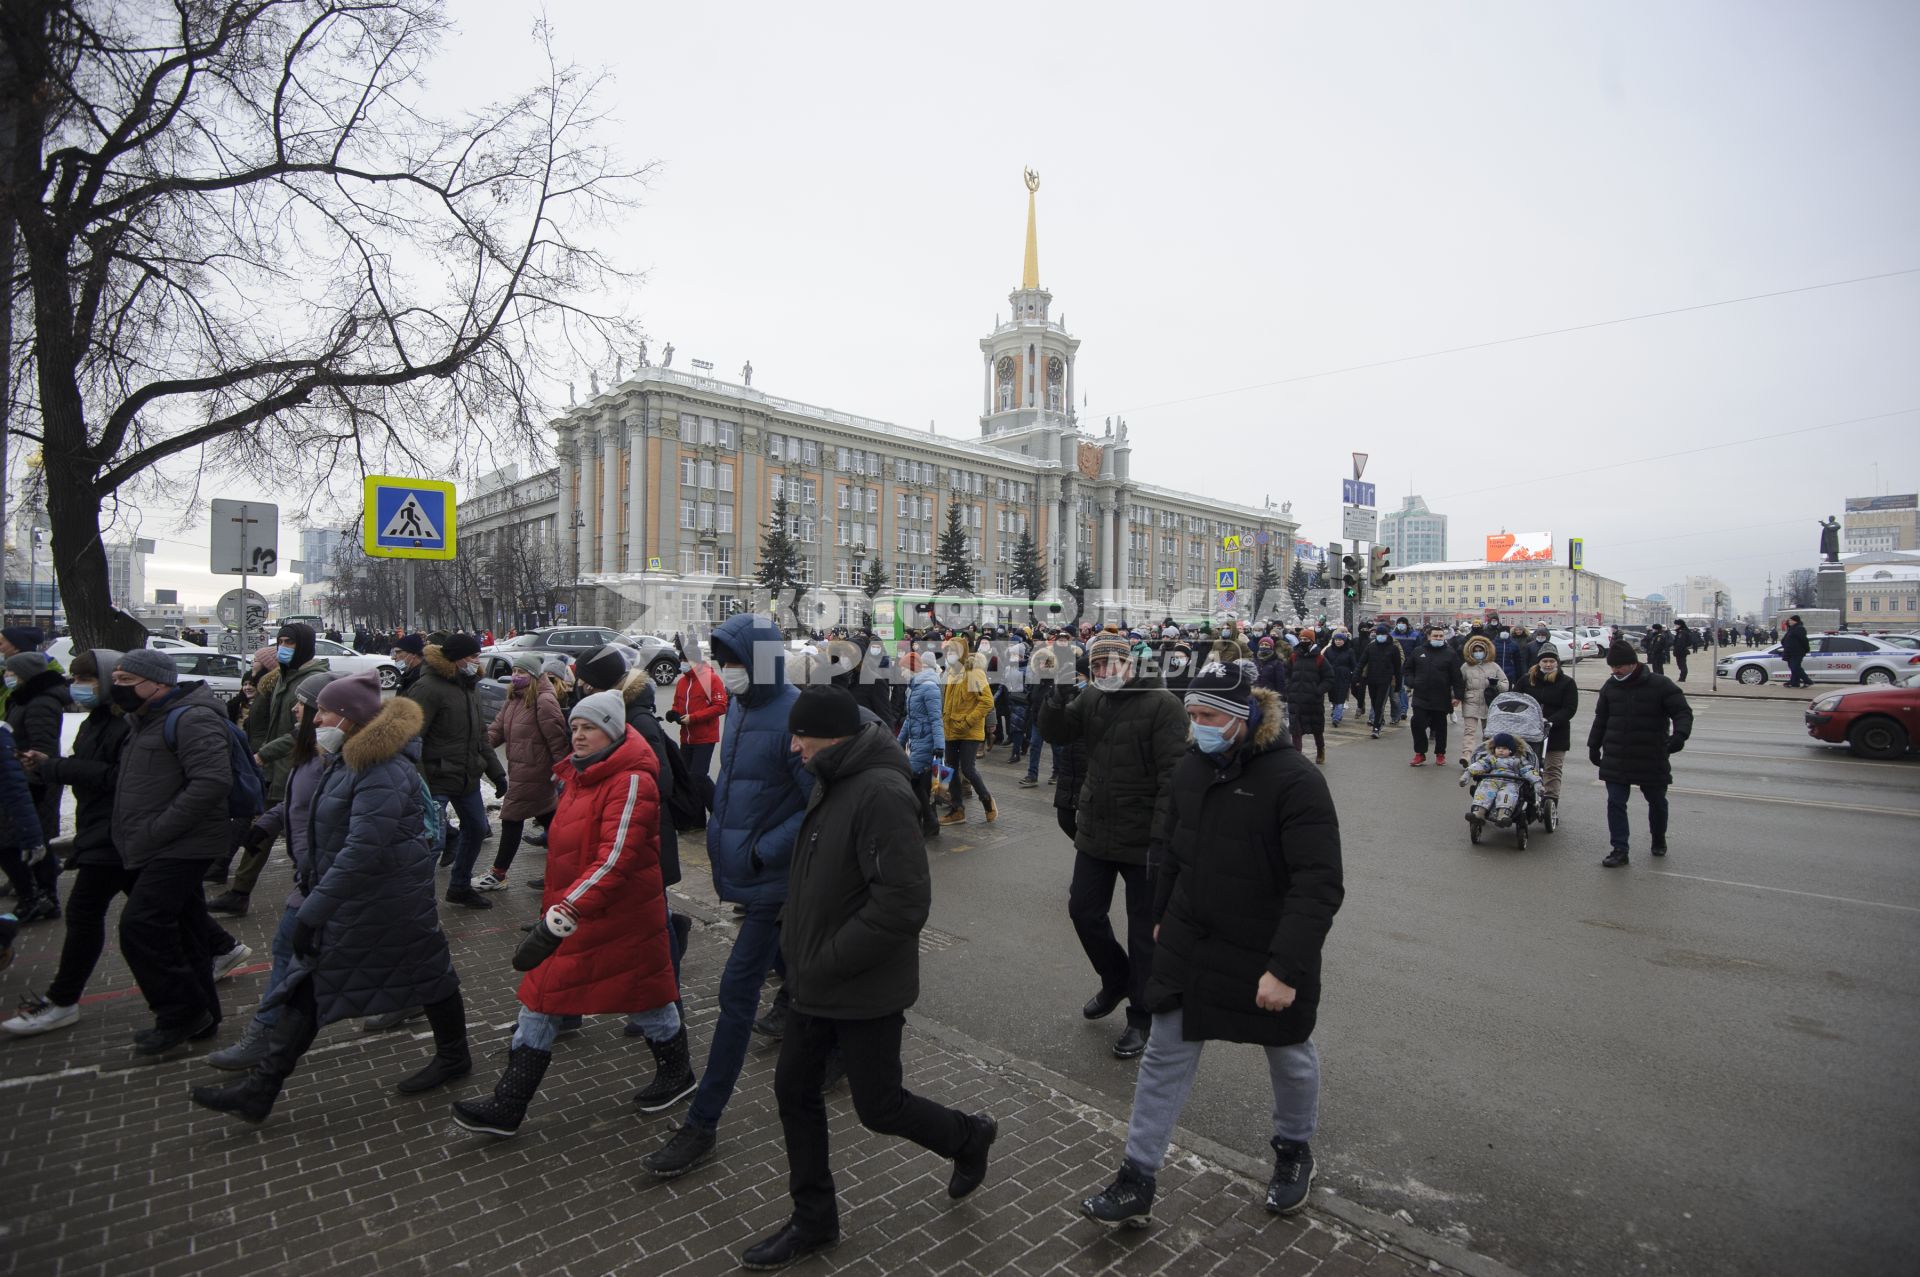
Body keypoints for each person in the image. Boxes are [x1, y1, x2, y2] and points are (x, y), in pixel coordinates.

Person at [742, 685, 998, 1270]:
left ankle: (968, 1136)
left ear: (831, 737)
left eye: (801, 735)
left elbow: (903, 904)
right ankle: (814, 1220)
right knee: (793, 1091)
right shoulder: (833, 777)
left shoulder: (879, 791)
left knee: (878, 1107)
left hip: (860, 984)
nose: (793, 745)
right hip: (816, 979)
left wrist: (826, 958)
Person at [1080, 660, 1343, 1229]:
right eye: (1192, 714)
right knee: (1162, 1059)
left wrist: (1287, 969)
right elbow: (1170, 847)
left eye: (1206, 716)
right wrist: (1159, 915)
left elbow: (1318, 884)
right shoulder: (1192, 769)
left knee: (1289, 1056)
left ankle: (1294, 1150)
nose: (1194, 726)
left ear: (1244, 716)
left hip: (1265, 948)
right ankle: (1137, 1177)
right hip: (1190, 939)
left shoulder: (1296, 780)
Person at [190, 673, 470, 1120]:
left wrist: (314, 909)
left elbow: (363, 848)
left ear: (351, 718)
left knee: (409, 975)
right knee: (352, 982)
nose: (316, 718)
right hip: (368, 898)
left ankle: (454, 1057)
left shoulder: (383, 768)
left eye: (325, 712)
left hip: (384, 899)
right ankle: (260, 1091)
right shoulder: (346, 760)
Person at [452, 690, 689, 1135]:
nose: (578, 735)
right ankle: (508, 1104)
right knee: (545, 999)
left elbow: (616, 857)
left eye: (589, 727)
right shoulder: (584, 775)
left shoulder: (631, 780)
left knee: (646, 998)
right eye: (575, 727)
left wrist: (563, 913)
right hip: (582, 910)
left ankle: (676, 1076)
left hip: (614, 915)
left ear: (613, 732)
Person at [643, 614, 812, 1180]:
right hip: (749, 875)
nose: (726, 671)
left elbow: (821, 804)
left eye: (735, 660)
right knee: (806, 980)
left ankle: (702, 1121)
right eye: (722, 659)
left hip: (775, 880)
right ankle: (828, 1035)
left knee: (735, 994)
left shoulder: (795, 714)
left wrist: (765, 850)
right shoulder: (740, 708)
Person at [1039, 629, 1187, 1060]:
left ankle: (1141, 1016)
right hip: (1098, 828)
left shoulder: (1163, 705)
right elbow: (1058, 733)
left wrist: (1162, 840)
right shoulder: (1093, 698)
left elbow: (1173, 778)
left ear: (1131, 663)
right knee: (1082, 910)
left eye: (1112, 663)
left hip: (1144, 838)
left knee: (1144, 931)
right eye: (1097, 665)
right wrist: (1058, 692)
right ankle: (1116, 978)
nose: (1104, 671)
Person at [199, 671, 336, 1067]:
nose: (296, 709)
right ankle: (416, 993)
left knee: (288, 952)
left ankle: (262, 1037)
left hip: (323, 878)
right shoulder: (310, 750)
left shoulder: (337, 756)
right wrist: (268, 823)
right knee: (386, 950)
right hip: (312, 874)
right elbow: (299, 798)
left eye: (307, 704)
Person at [109, 648, 231, 1056]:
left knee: (140, 926)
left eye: (127, 680)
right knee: (187, 928)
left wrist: (158, 829)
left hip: (182, 844)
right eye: (117, 678)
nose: (117, 687)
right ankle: (205, 1014)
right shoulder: (144, 719)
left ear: (158, 683)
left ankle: (179, 1012)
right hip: (158, 841)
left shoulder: (192, 718)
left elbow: (212, 781)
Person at [3, 651, 130, 1034]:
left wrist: (51, 767)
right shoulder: (98, 719)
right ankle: (217, 955)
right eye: (75, 677)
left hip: (116, 831)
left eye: (87, 678)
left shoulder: (127, 724)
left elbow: (115, 777)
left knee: (88, 915)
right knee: (168, 913)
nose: (78, 685)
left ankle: (63, 999)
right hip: (102, 829)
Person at [214, 622, 328, 915]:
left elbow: (303, 731)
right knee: (263, 832)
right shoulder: (282, 678)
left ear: (303, 644)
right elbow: (263, 723)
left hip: (297, 770)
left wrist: (264, 754)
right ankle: (240, 891)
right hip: (276, 773)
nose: (283, 647)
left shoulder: (314, 681)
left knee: (298, 836)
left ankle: (311, 890)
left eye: (289, 641)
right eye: (280, 641)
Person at [404, 634, 506, 908]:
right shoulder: (427, 688)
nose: (476, 661)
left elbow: (480, 736)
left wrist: (497, 773)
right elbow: (411, 739)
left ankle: (460, 887)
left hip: (466, 777)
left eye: (477, 656)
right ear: (456, 658)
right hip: (435, 781)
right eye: (472, 656)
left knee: (475, 829)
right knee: (432, 842)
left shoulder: (469, 686)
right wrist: (419, 785)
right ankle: (413, 902)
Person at [1589, 640, 1692, 868]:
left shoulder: (1660, 684)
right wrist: (1593, 746)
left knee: (1657, 802)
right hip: (1617, 756)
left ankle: (1658, 839)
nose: (1615, 671)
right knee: (1615, 803)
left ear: (1633, 664)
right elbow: (1601, 719)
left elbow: (1682, 712)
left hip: (1651, 755)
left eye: (1620, 667)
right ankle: (1619, 849)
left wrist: (1679, 736)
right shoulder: (1610, 686)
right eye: (1612, 667)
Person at [474, 654, 570, 892]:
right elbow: (497, 729)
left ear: (535, 676)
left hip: (536, 771)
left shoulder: (544, 700)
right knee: (553, 821)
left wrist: (563, 771)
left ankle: (498, 874)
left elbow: (557, 739)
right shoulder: (515, 698)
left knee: (511, 817)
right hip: (520, 768)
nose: (516, 676)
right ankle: (569, 868)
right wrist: (477, 749)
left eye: (522, 673)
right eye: (514, 672)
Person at [2, 650, 71, 919]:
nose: (7, 676)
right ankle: (33, 894)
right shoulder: (23, 699)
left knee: (33, 842)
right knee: (17, 842)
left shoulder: (41, 703)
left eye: (11, 672)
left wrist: (31, 779)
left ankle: (42, 896)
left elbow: (42, 748)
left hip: (35, 783)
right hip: (22, 778)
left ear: (24, 675)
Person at [937, 635, 996, 825]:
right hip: (951, 729)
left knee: (968, 769)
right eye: (948, 651)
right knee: (951, 769)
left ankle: (987, 800)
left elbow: (987, 701)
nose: (950, 655)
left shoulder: (973, 672)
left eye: (954, 651)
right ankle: (957, 809)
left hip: (968, 730)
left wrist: (969, 721)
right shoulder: (950, 673)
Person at [668, 648, 728, 818]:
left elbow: (720, 706)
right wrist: (674, 713)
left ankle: (720, 811)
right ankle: (696, 816)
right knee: (688, 778)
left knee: (698, 777)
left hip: (705, 737)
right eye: (681, 661)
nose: (682, 665)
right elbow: (677, 704)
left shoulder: (711, 679)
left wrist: (693, 718)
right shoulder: (682, 682)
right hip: (686, 737)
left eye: (684, 661)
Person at [1521, 647, 1578, 819]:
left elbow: (1570, 708)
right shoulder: (1526, 680)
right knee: (1525, 766)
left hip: (1556, 733)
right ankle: (1526, 799)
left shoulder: (1566, 683)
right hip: (1528, 731)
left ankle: (1550, 801)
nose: (1548, 664)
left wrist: (1551, 720)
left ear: (1557, 663)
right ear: (1538, 663)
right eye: (1544, 661)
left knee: (1552, 769)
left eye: (1551, 661)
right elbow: (1516, 700)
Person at [895, 652, 946, 837]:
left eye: (902, 669)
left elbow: (936, 719)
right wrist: (899, 742)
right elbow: (910, 718)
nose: (901, 673)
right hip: (917, 742)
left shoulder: (928, 687)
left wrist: (939, 747)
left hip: (927, 742)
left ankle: (927, 822)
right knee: (920, 784)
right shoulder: (913, 688)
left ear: (911, 668)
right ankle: (929, 822)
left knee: (915, 781)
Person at [1405, 625, 1464, 767]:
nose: (1438, 638)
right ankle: (1420, 753)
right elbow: (1407, 669)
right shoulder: (1418, 651)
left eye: (1440, 636)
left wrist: (1457, 696)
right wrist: (1412, 682)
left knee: (1440, 726)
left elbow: (1457, 676)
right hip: (1421, 695)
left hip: (1441, 697)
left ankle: (1440, 753)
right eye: (1435, 636)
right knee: (1417, 723)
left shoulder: (1450, 653)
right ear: (1428, 637)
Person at [1466, 734, 1540, 830]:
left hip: (1510, 782)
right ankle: (1478, 813)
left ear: (1511, 750)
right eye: (1498, 748)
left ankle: (1503, 816)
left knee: (1507, 794)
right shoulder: (1491, 759)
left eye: (1504, 748)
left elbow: (1528, 770)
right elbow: (1480, 765)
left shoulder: (1518, 761)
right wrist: (1468, 772)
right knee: (1483, 791)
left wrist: (1536, 781)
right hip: (1491, 781)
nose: (1500, 750)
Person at [1457, 634, 1507, 762]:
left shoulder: (1494, 666)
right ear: (1470, 651)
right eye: (1475, 651)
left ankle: (1487, 757)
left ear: (1486, 651)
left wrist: (1496, 686)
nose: (1478, 653)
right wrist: (1456, 696)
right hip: (1471, 701)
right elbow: (1458, 684)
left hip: (1489, 702)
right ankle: (1467, 756)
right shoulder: (1466, 667)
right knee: (1469, 731)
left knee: (1488, 732)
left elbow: (1505, 683)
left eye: (1480, 651)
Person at [1282, 635, 1330, 764]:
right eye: (1301, 639)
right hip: (1295, 700)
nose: (1303, 641)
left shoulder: (1320, 658)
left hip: (1313, 701)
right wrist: (1289, 687)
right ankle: (1297, 757)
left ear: (1312, 641)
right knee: (1296, 730)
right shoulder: (1294, 656)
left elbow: (1329, 678)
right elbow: (1286, 673)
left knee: (1317, 729)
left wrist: (1318, 691)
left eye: (1306, 639)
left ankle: (1320, 750)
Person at [1355, 628, 1402, 740]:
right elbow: (1362, 662)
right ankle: (1379, 720)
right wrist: (1357, 675)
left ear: (1387, 635)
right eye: (1378, 634)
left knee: (1379, 703)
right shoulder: (1371, 647)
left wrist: (1398, 684)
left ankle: (1376, 727)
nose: (1380, 636)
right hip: (1372, 679)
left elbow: (1397, 667)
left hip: (1385, 680)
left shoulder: (1393, 648)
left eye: (1383, 634)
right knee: (1374, 701)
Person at [1320, 631, 1357, 730]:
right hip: (1331, 676)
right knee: (1332, 697)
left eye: (1340, 640)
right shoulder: (1329, 650)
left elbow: (1354, 665)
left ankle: (1336, 718)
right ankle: (1336, 711)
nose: (1338, 642)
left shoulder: (1350, 651)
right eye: (1336, 640)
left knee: (1341, 697)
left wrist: (1354, 676)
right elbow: (1324, 663)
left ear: (1344, 641)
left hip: (1344, 677)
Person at [1780, 616, 1811, 688]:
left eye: (1791, 620)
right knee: (1793, 667)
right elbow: (1785, 640)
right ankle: (1794, 683)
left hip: (1797, 652)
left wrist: (1806, 649)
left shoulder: (1800, 629)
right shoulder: (1791, 629)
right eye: (1789, 620)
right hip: (1789, 652)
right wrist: (1786, 646)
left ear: (1795, 621)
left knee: (1795, 667)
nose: (1789, 621)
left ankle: (1807, 681)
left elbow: (1804, 640)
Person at [1671, 619, 1695, 683]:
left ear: (1680, 625)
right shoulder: (1680, 632)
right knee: (1680, 665)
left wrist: (1678, 650)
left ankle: (1682, 678)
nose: (1675, 626)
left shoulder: (1682, 632)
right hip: (1680, 651)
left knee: (1682, 665)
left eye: (1676, 624)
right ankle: (1682, 677)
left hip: (1681, 651)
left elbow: (1681, 643)